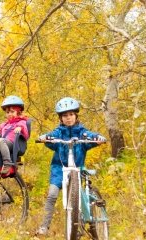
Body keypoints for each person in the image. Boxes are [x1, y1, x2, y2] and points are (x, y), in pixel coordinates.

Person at [36, 97, 106, 235]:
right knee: (52, 195)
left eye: (71, 115)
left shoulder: (81, 132)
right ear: (60, 118)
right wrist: (44, 137)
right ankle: (44, 226)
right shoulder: (59, 132)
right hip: (59, 170)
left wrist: (98, 138)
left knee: (79, 197)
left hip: (77, 169)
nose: (68, 118)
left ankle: (83, 224)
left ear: (76, 116)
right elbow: (51, 136)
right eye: (65, 116)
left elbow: (90, 136)